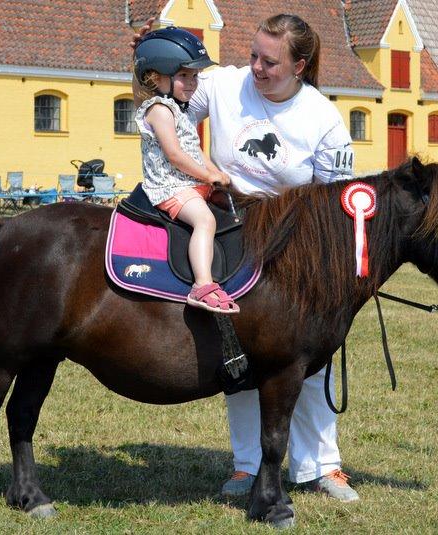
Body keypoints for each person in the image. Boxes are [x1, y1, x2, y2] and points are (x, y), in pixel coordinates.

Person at [133, 14, 359, 502]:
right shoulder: (224, 84)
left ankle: (322, 465)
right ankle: (246, 464)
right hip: (231, 227)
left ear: (300, 66)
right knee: (236, 347)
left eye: (269, 61)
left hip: (296, 241)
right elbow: (169, 101)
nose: (255, 66)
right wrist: (153, 56)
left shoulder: (323, 118)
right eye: (254, 54)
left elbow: (335, 198)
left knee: (312, 356)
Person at [133, 27, 239, 314]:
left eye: (194, 76)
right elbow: (176, 155)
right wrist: (208, 177)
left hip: (189, 184)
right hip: (170, 188)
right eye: (184, 76)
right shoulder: (158, 109)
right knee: (205, 221)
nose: (192, 83)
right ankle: (202, 286)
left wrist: (217, 174)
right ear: (156, 77)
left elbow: (195, 151)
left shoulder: (179, 108)